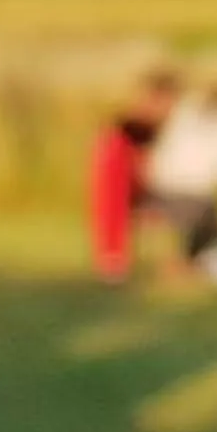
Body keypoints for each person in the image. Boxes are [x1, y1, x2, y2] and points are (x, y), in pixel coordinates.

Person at [143, 81, 217, 270]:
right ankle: (195, 261)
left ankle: (198, 260)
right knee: (208, 209)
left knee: (209, 208)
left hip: (159, 191)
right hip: (187, 196)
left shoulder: (185, 113)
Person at [89, 67, 180, 281]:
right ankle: (113, 263)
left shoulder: (150, 116)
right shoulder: (141, 116)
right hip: (119, 160)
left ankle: (117, 262)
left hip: (129, 161)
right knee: (114, 208)